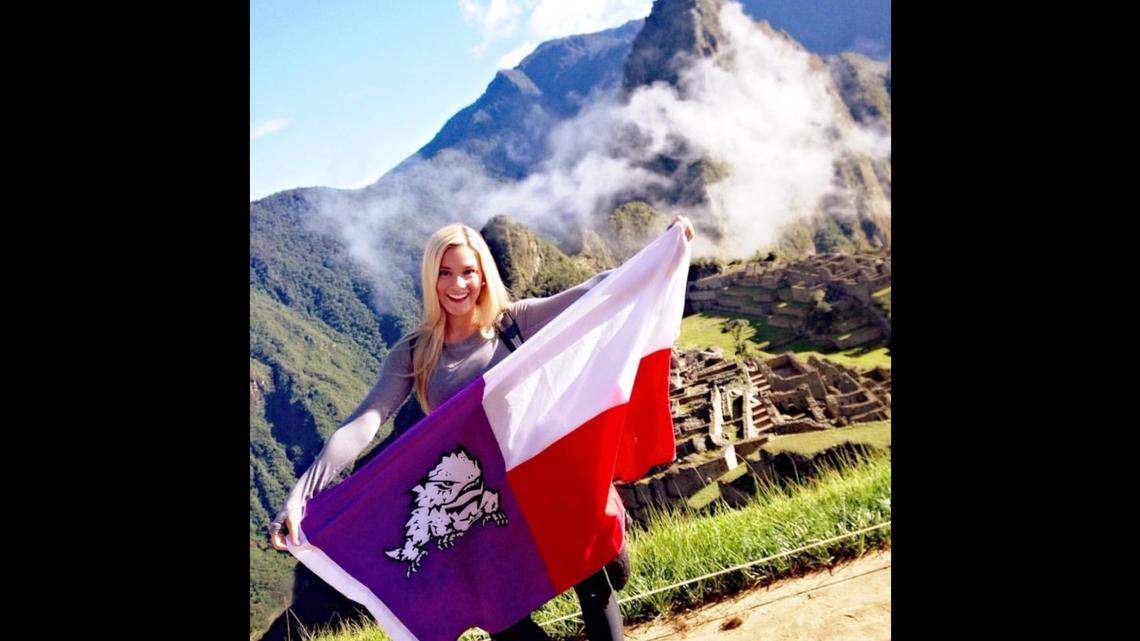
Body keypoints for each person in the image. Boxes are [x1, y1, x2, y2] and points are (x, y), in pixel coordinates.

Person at [271, 215, 696, 641]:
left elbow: (595, 290)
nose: (458, 285)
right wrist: (302, 493)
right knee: (503, 618)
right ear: (430, 278)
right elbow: (364, 422)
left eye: (468, 272)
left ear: (483, 274)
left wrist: (663, 248)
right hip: (481, 501)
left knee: (593, 580)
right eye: (445, 273)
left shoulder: (513, 323)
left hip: (542, 478)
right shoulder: (415, 353)